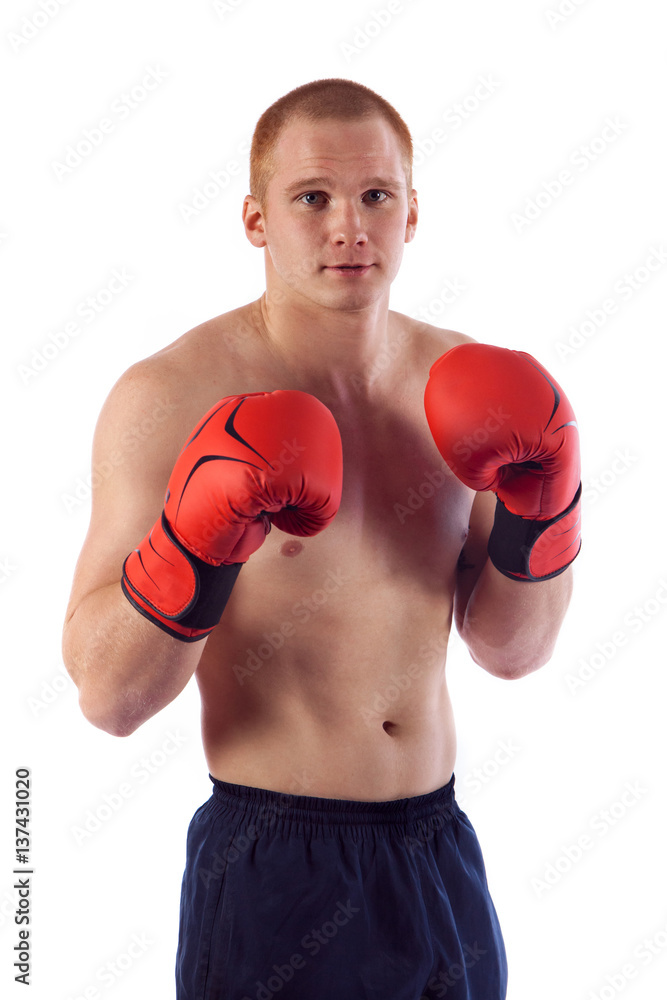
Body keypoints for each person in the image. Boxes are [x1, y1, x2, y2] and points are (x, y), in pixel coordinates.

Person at [62, 78, 581, 999]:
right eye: (312, 198)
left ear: (412, 213)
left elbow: (512, 651)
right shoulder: (171, 396)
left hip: (438, 852)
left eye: (375, 195)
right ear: (257, 221)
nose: (349, 224)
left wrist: (547, 503)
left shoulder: (464, 383)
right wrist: (198, 536)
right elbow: (109, 697)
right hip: (275, 863)